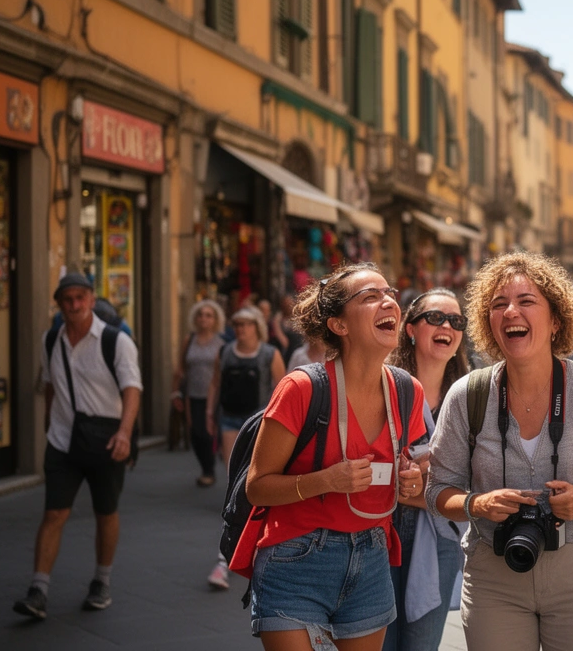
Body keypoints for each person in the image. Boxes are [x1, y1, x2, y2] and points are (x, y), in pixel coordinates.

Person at [426, 252, 573, 651]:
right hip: (493, 577)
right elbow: (437, 490)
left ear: (556, 320)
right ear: (488, 322)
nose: (511, 311)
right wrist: (477, 503)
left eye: (526, 301)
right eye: (498, 304)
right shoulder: (467, 396)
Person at [240, 263, 427, 650]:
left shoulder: (408, 391)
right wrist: (325, 480)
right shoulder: (301, 388)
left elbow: (403, 468)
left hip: (372, 557)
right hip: (296, 559)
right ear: (339, 325)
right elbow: (256, 488)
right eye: (371, 296)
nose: (389, 301)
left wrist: (411, 478)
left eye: (390, 293)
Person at [13, 273, 142, 619]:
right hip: (62, 440)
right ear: (59, 304)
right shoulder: (51, 339)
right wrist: (47, 427)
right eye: (67, 299)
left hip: (107, 441)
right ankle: (38, 589)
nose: (74, 305)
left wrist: (125, 433)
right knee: (54, 513)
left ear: (91, 299)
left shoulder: (116, 341)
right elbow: (50, 384)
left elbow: (132, 389)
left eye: (79, 298)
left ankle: (101, 580)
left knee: (106, 513)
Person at [383, 289, 471, 651]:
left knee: (420, 646)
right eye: (435, 317)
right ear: (410, 329)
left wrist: (425, 486)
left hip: (440, 536)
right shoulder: (383, 385)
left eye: (456, 321)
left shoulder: (471, 394)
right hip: (379, 533)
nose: (446, 325)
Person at [207, 305, 285, 590]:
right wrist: (208, 414)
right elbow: (216, 384)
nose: (241, 329)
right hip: (229, 418)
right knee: (234, 481)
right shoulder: (226, 352)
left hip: (260, 423)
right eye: (237, 324)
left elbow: (283, 388)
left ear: (257, 327)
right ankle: (227, 551)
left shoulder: (269, 353)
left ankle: (254, 541)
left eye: (246, 324)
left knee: (255, 481)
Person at [173, 299, 227, 488]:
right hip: (192, 394)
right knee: (195, 433)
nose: (203, 318)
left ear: (215, 320)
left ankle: (209, 470)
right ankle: (206, 466)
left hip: (215, 395)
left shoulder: (221, 342)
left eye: (208, 315)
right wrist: (175, 393)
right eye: (200, 315)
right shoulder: (189, 340)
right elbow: (180, 368)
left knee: (207, 433)